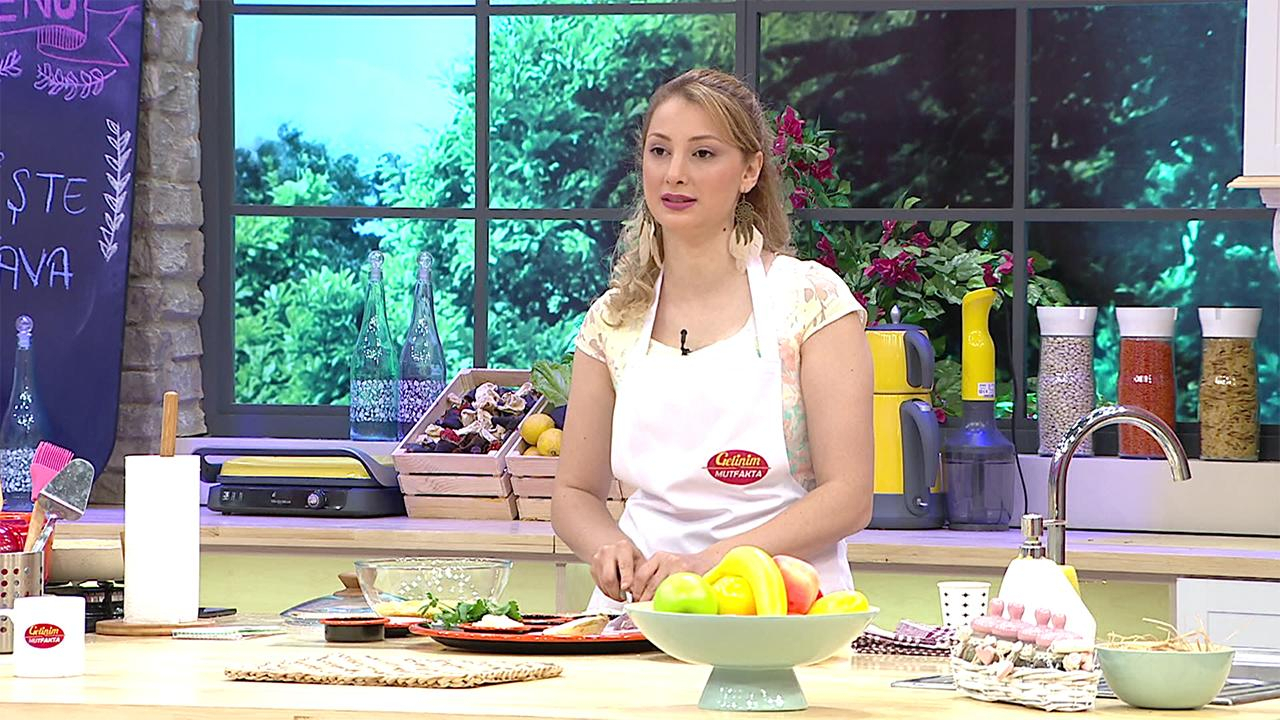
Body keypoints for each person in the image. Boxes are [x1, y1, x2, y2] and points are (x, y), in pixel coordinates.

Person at [551, 69, 874, 612]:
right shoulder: (613, 319)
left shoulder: (811, 301)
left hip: (781, 610)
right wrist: (608, 547)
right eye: (660, 151)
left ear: (750, 171)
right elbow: (574, 492)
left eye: (702, 154)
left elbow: (848, 497)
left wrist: (707, 563)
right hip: (643, 611)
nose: (675, 174)